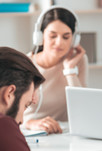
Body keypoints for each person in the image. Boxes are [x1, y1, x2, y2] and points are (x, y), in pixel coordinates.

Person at [23, 6, 88, 134]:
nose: (59, 43)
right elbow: (10, 111)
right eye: (53, 36)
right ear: (40, 37)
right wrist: (30, 123)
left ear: (74, 40)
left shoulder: (79, 61)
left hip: (64, 133)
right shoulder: (24, 63)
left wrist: (69, 70)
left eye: (66, 37)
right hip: (31, 131)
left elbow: (83, 107)